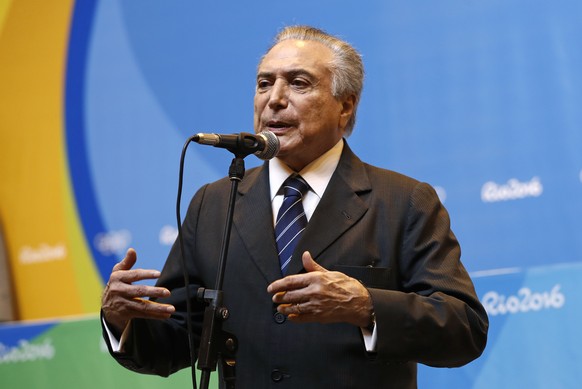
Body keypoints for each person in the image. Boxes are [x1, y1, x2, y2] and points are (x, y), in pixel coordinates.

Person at [101, 25, 488, 388]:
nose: (275, 98)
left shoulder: (403, 201)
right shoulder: (214, 204)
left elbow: (464, 327)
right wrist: (122, 320)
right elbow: (176, 338)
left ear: (346, 107)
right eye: (264, 83)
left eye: (298, 83)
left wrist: (366, 305)